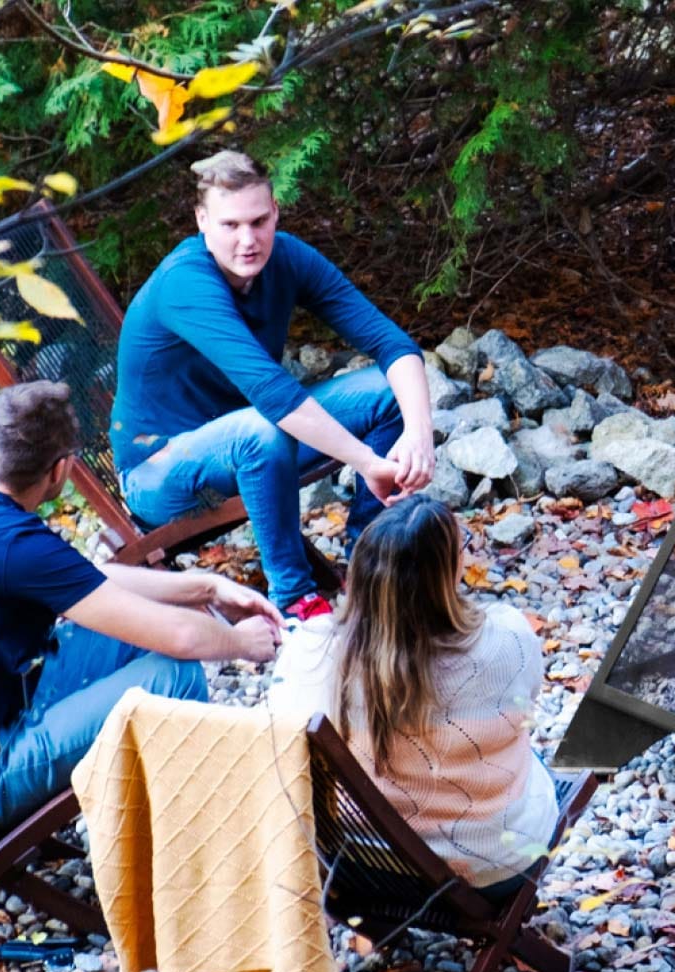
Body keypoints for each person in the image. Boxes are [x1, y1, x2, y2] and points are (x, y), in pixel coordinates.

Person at [0, 382, 281, 836]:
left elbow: (86, 580)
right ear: (61, 469)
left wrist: (205, 589)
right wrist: (242, 643)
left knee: (149, 635)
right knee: (175, 674)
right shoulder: (13, 545)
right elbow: (183, 639)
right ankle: (191, 838)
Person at [112, 151, 436, 622]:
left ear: (276, 212)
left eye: (259, 221)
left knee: (389, 395)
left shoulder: (286, 258)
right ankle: (296, 597)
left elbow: (394, 344)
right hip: (160, 474)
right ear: (202, 221)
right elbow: (274, 394)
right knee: (258, 431)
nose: (249, 240)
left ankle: (374, 557)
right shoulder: (185, 283)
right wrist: (367, 462)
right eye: (230, 225)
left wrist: (419, 434)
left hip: (255, 445)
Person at [268, 495, 559, 898]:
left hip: (357, 866)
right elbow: (528, 702)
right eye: (463, 547)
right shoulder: (507, 636)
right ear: (445, 573)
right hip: (488, 869)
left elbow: (280, 743)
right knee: (526, 749)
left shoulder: (311, 652)